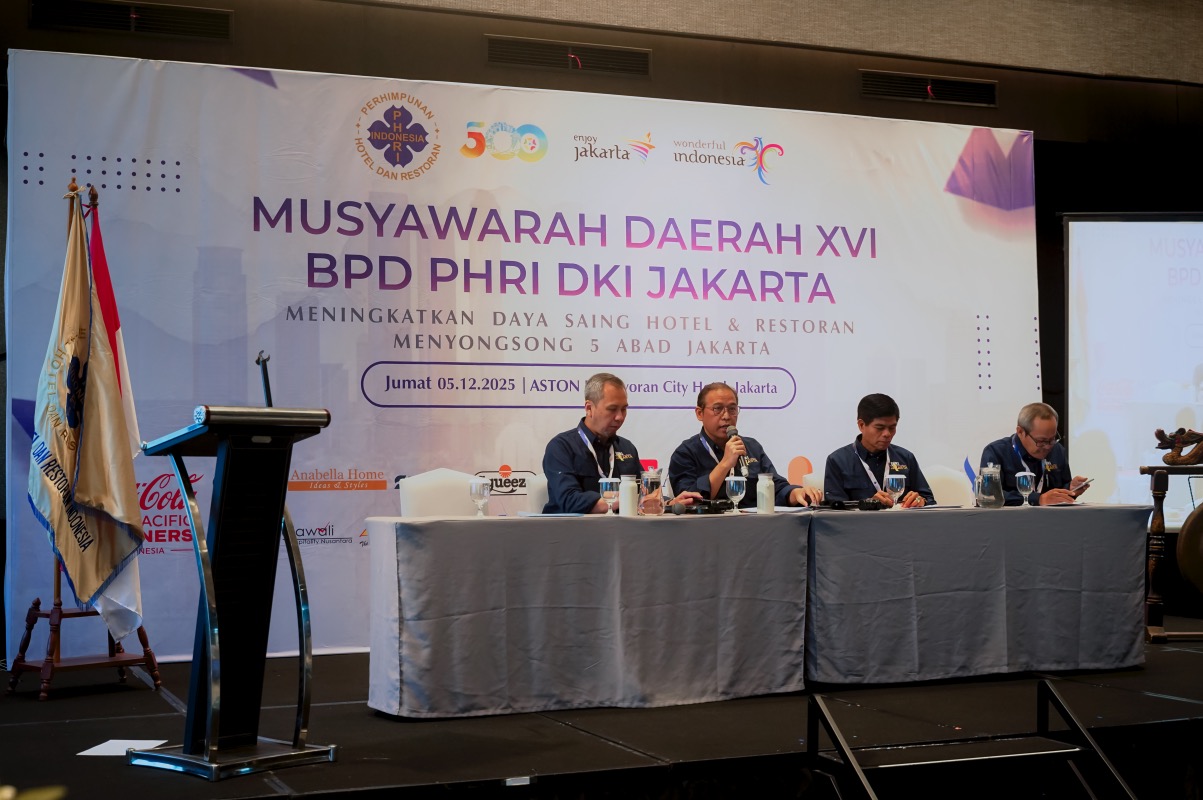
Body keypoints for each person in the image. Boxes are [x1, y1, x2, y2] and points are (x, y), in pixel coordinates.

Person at [543, 373, 700, 514]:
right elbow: (569, 501)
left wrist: (668, 502)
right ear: (589, 408)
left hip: (621, 532)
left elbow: (645, 495)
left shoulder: (626, 448)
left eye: (624, 409)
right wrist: (625, 499)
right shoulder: (561, 447)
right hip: (571, 532)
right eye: (612, 409)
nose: (619, 417)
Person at [668, 382, 822, 509]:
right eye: (717, 409)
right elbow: (688, 501)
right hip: (706, 530)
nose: (726, 416)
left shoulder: (751, 446)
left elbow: (775, 486)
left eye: (732, 409)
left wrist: (795, 493)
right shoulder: (685, 453)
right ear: (699, 413)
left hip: (754, 528)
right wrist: (725, 464)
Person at [823, 393, 934, 508]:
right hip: (860, 520)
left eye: (892, 427)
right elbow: (835, 509)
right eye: (880, 428)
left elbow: (930, 500)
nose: (887, 434)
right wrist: (869, 505)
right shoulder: (837, 461)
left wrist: (920, 500)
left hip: (901, 519)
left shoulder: (906, 458)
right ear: (861, 425)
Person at [980, 402, 1089, 505]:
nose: (1048, 446)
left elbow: (1059, 494)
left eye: (1052, 439)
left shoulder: (1058, 450)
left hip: (1052, 518)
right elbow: (990, 496)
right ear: (1020, 432)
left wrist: (1070, 489)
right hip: (1011, 518)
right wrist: (1038, 499)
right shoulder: (996, 452)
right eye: (1041, 441)